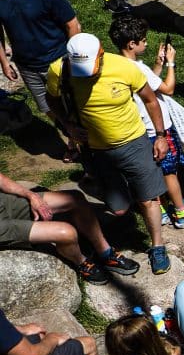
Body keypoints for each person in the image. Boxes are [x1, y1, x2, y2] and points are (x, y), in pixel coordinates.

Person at [48, 33, 173, 275]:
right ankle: (114, 196)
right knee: (119, 209)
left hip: (134, 143)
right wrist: (68, 125)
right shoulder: (59, 70)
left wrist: (160, 136)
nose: (86, 75)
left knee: (148, 199)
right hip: (95, 150)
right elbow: (51, 99)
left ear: (101, 54)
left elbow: (150, 100)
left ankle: (157, 246)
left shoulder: (125, 68)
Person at [108, 15, 184, 231]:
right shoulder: (139, 69)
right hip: (158, 128)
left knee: (154, 169)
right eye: (143, 40)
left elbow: (147, 86)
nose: (146, 43)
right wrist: (171, 63)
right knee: (169, 171)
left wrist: (157, 65)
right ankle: (182, 213)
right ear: (132, 44)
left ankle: (162, 210)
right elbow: (168, 89)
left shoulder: (121, 65)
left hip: (140, 129)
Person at [0, 167, 137, 281]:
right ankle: (81, 262)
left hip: (3, 202)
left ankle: (105, 252)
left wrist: (31, 195)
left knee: (75, 198)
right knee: (66, 233)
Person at [0, 0, 81, 135]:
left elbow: (72, 24)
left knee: (73, 105)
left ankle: (84, 140)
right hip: (27, 66)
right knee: (46, 107)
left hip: (57, 61)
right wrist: (4, 62)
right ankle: (69, 134)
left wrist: (72, 60)